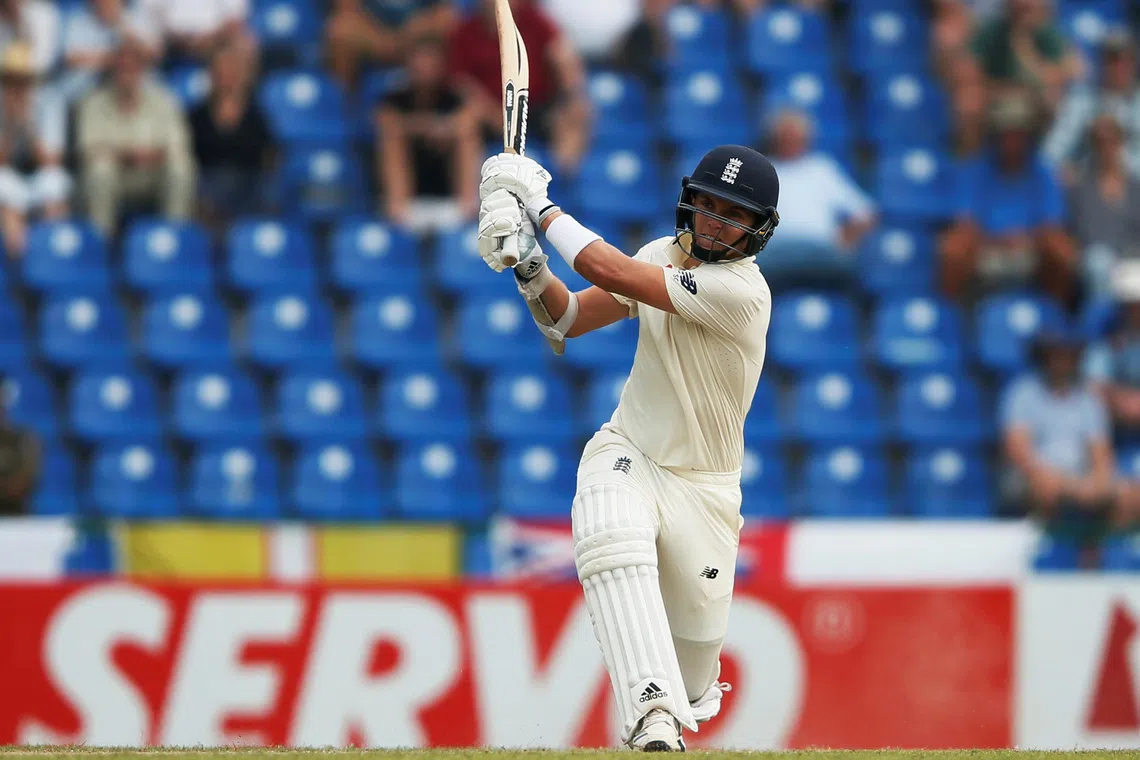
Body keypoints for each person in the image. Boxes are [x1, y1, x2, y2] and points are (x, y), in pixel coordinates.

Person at [475, 144, 779, 751]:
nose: (715, 222)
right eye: (708, 205)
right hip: (631, 450)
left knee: (695, 679)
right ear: (688, 201)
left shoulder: (743, 294)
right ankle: (652, 721)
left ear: (758, 230)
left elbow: (610, 271)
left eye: (733, 214)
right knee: (609, 531)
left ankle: (672, 704)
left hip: (706, 491)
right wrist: (527, 263)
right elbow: (564, 321)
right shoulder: (661, 257)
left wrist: (537, 204)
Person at [940, 93, 1076, 304]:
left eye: (1018, 134)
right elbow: (965, 222)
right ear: (995, 134)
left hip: (1030, 247)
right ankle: (949, 321)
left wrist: (1025, 239)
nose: (1012, 140)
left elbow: (1052, 224)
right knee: (953, 248)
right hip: (985, 245)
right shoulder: (974, 169)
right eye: (1006, 133)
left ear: (1029, 136)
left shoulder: (1043, 173)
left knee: (1061, 249)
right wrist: (998, 240)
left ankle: (1054, 318)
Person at [1002, 326, 1120, 559]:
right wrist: (1067, 484)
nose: (1063, 360)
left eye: (1069, 354)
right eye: (1057, 354)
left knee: (1124, 494)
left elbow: (1101, 453)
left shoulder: (1088, 399)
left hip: (1079, 478)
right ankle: (1045, 559)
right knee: (1046, 488)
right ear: (1044, 357)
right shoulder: (1023, 392)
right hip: (1035, 477)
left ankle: (1101, 561)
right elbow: (1019, 452)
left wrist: (1099, 482)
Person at [449, 0, 590, 173]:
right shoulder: (466, 31)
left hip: (536, 106)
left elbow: (562, 57)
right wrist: (492, 112)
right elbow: (461, 83)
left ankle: (564, 183)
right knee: (465, 123)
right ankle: (470, 196)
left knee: (575, 113)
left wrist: (572, 95)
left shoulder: (536, 21)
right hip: (490, 112)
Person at [77, 34, 196, 236]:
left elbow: (179, 145)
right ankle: (101, 243)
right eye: (122, 68)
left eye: (133, 67)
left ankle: (174, 239)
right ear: (113, 69)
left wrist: (153, 155)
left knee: (181, 168)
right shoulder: (93, 102)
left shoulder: (163, 100)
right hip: (116, 175)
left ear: (142, 70)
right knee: (99, 171)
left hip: (153, 174)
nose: (127, 73)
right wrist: (127, 155)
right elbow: (87, 151)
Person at [760, 108, 875, 287]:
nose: (790, 140)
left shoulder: (822, 169)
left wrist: (845, 240)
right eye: (785, 135)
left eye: (795, 135)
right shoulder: (763, 170)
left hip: (821, 251)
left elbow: (866, 213)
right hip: (776, 251)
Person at [377, 34, 478, 233]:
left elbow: (467, 121)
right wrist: (431, 127)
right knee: (392, 139)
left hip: (446, 178)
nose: (423, 66)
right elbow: (387, 123)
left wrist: (442, 130)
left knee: (466, 136)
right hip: (410, 187)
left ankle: (467, 206)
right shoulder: (394, 99)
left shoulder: (453, 97)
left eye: (429, 59)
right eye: (418, 59)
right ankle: (398, 207)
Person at [189, 40, 274, 225]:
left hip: (248, 183)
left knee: (268, 192)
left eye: (231, 70)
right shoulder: (197, 115)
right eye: (221, 70)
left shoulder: (256, 115)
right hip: (207, 182)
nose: (226, 76)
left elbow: (267, 154)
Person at [1043, 28, 1140, 183]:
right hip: (1090, 187)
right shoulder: (1081, 100)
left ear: (1134, 63)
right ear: (1101, 63)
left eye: (1126, 59)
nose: (1119, 67)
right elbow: (1050, 153)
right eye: (1112, 59)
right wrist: (1067, 171)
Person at [0, 41, 69, 258]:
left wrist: (28, 124)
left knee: (53, 181)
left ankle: (51, 257)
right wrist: (11, 122)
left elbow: (52, 160)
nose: (18, 87)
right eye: (11, 80)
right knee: (3, 186)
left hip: (39, 171)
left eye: (23, 80)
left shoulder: (50, 101)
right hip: (9, 172)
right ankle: (19, 269)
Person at [1067, 113, 1140, 299]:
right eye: (1100, 142)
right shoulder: (1081, 187)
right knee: (1099, 263)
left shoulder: (1135, 186)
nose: (1107, 147)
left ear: (1121, 142)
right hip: (1099, 255)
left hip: (1132, 253)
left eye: (1112, 140)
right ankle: (1102, 323)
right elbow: (1081, 231)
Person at [325, 0, 455, 89]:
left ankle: (438, 106)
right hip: (370, 37)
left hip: (414, 39)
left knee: (448, 25)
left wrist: (406, 36)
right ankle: (344, 110)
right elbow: (347, 8)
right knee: (340, 28)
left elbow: (444, 12)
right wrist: (379, 39)